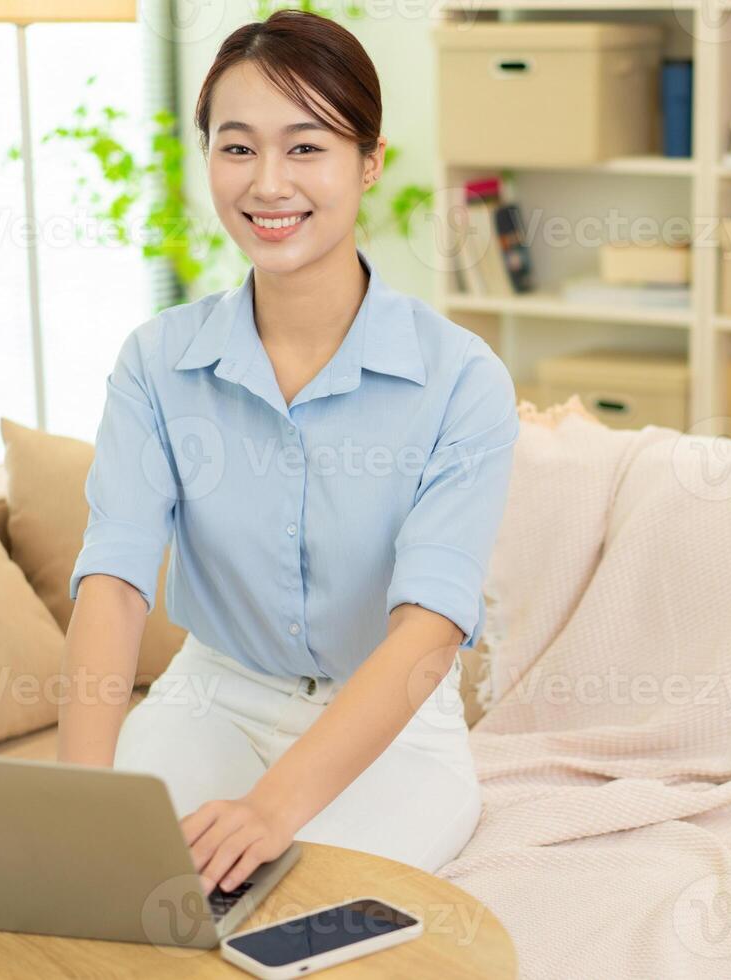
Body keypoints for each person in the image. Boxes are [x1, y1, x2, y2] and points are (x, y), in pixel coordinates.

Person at [55, 10, 518, 898]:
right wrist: (82, 797)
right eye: (238, 149)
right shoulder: (156, 364)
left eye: (306, 148)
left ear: (370, 161)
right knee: (122, 895)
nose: (269, 184)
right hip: (212, 697)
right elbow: (112, 584)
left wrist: (271, 809)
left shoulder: (461, 379)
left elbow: (429, 630)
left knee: (296, 911)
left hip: (391, 730)